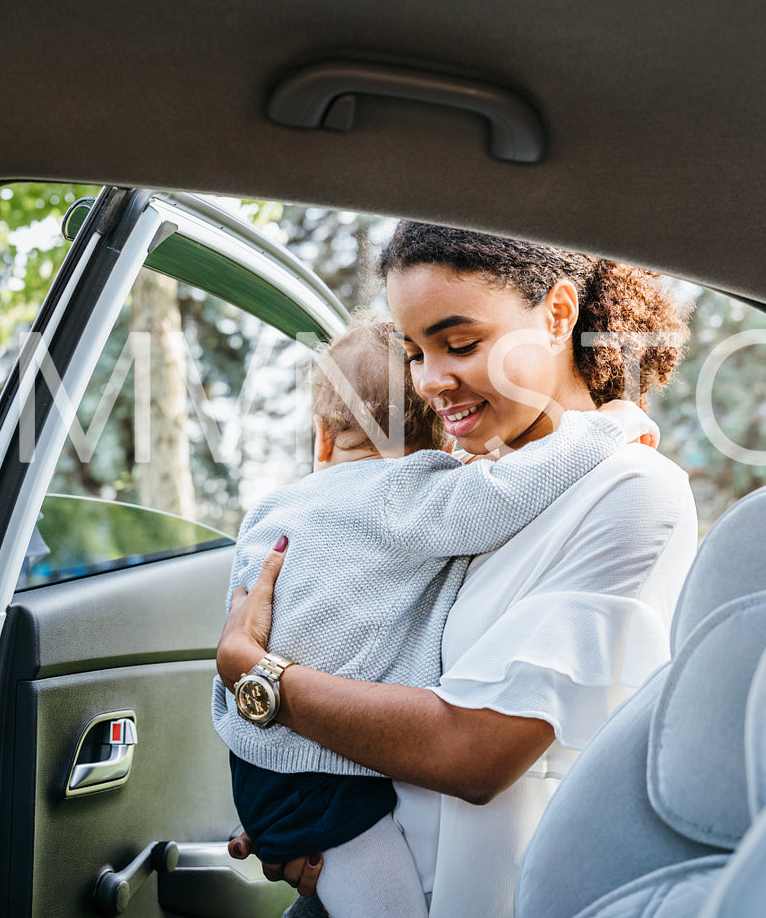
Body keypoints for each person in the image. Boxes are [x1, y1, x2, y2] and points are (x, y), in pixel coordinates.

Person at [218, 222, 698, 916]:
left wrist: (256, 676)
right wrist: (297, 798)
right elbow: (373, 661)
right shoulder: (451, 487)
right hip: (358, 855)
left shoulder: (628, 488)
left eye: (460, 343)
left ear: (558, 315)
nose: (430, 381)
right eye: (413, 352)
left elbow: (472, 751)